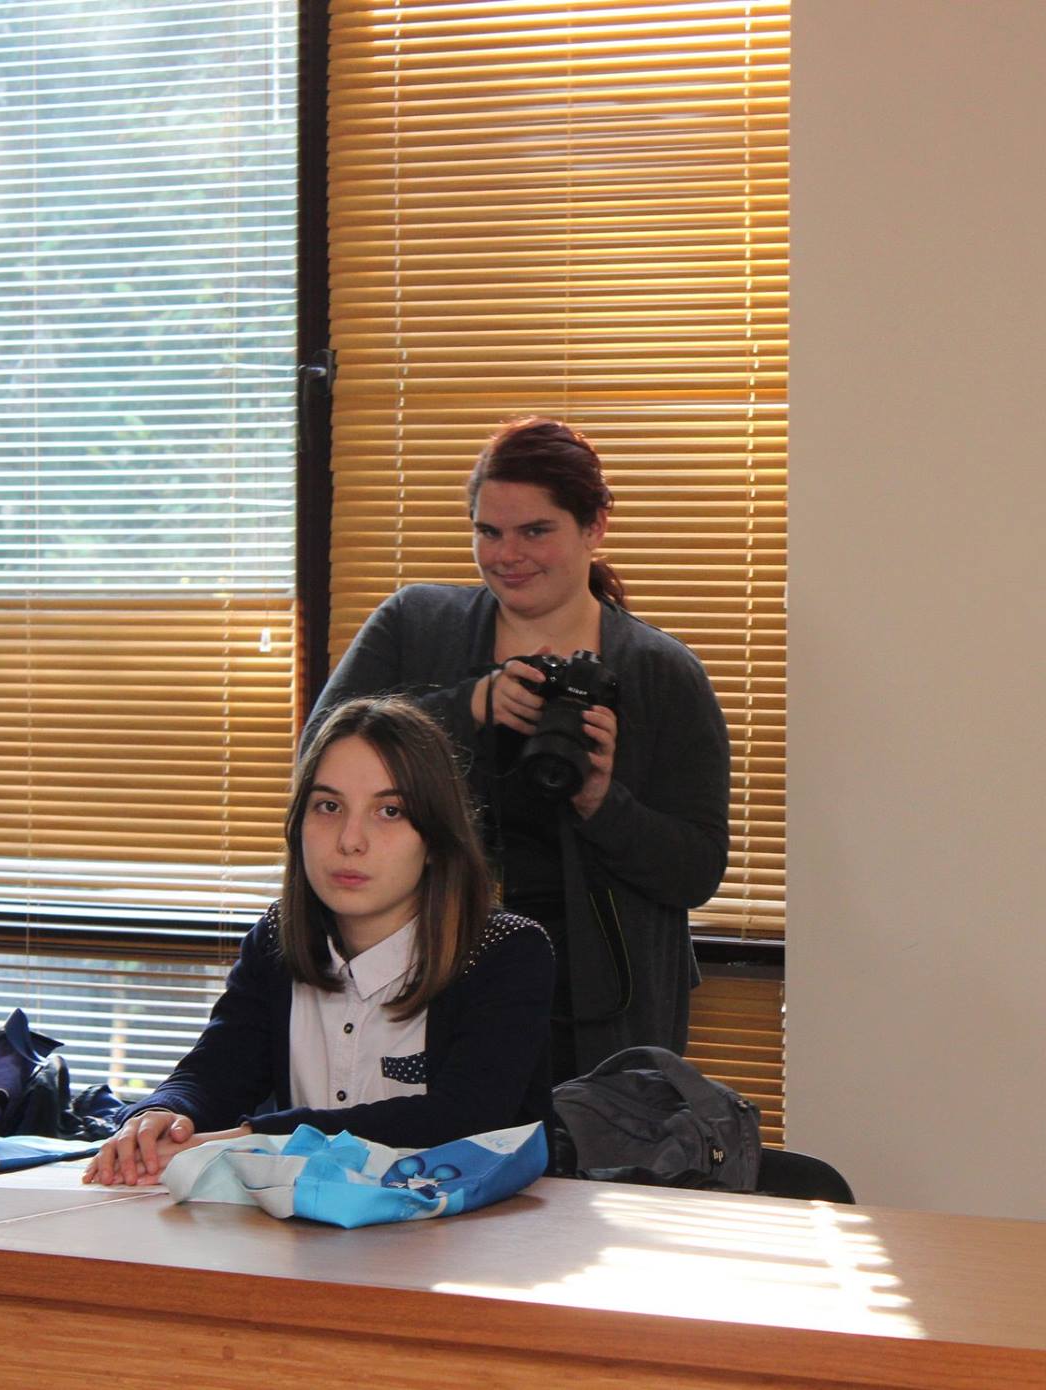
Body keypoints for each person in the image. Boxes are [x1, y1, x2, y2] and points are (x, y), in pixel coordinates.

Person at [306, 417, 730, 1076]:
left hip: (597, 1011)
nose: (507, 555)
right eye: (488, 532)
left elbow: (695, 871)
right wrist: (468, 706)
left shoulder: (661, 673)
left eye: (535, 531)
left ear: (594, 526)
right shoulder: (415, 627)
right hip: (418, 985)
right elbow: (318, 763)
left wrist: (600, 802)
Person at [86, 696, 553, 1186]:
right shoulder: (277, 937)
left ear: (436, 838)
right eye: (328, 807)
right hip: (303, 1224)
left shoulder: (506, 951)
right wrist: (163, 1114)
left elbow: (462, 1121)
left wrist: (252, 1137)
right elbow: (216, 1071)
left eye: (389, 811)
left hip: (479, 1228)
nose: (350, 840)